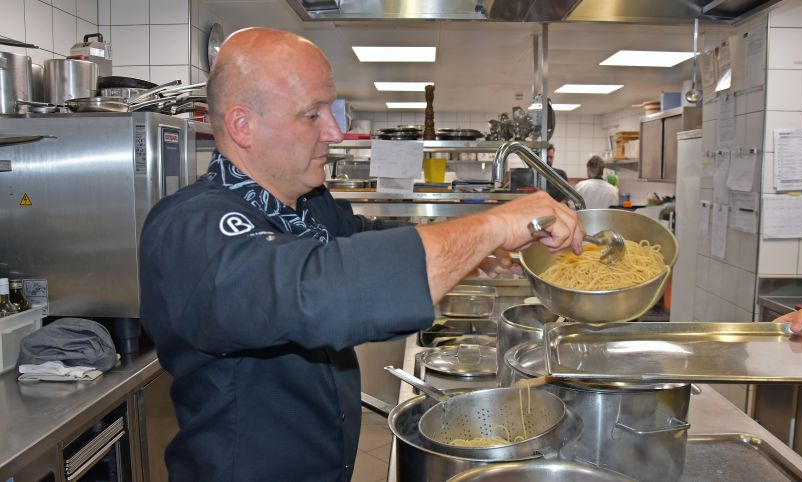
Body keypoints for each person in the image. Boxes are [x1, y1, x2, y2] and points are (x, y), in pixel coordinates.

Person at [138, 28, 585, 481]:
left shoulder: (307, 203)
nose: (334, 133)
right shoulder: (188, 229)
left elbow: (365, 236)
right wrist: (493, 224)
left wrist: (474, 249)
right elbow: (316, 289)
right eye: (312, 115)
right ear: (242, 126)